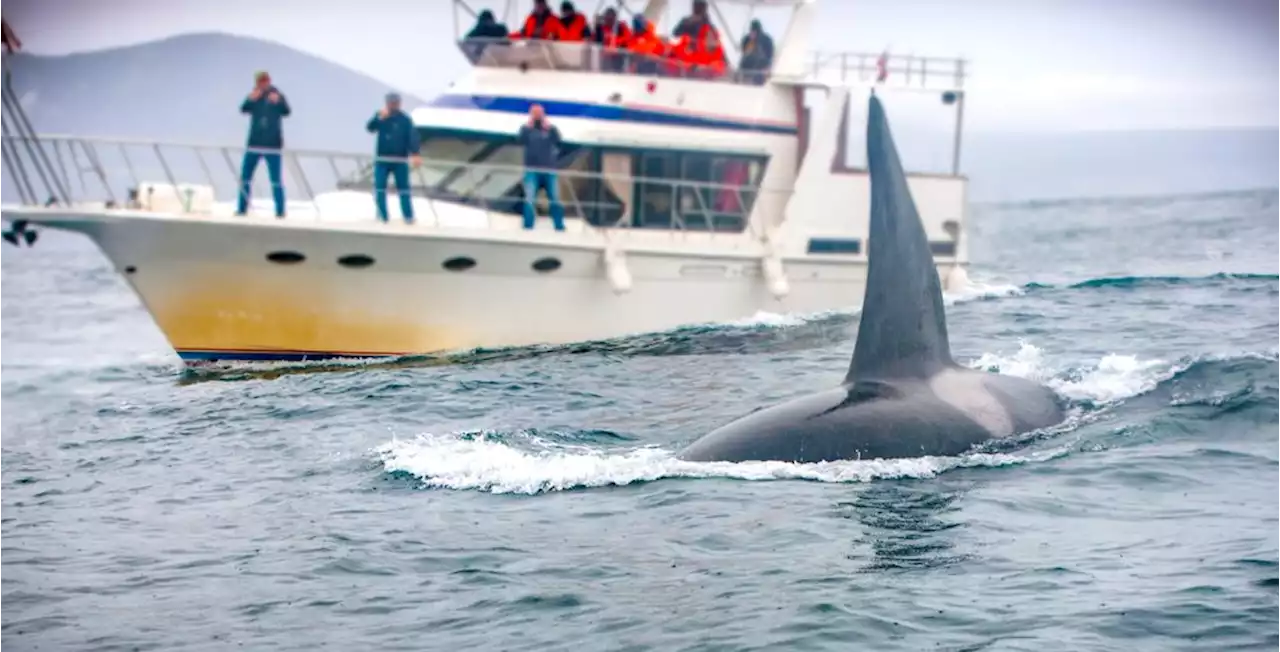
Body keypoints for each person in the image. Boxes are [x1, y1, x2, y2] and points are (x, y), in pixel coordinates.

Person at [236, 71, 290, 217]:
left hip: (273, 146)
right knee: (245, 178)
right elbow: (243, 109)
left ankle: (280, 210)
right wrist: (251, 99)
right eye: (260, 81)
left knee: (276, 180)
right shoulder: (255, 95)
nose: (263, 84)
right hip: (254, 144)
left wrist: (278, 102)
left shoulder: (277, 95)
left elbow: (287, 111)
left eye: (265, 81)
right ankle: (241, 208)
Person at [365, 93, 422, 224]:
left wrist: (415, 153)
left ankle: (408, 217)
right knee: (380, 188)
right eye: (391, 102)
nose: (393, 104)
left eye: (395, 102)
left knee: (403, 190)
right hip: (382, 160)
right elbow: (370, 128)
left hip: (399, 160)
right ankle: (383, 216)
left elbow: (412, 137)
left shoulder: (405, 120)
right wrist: (378, 118)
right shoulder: (381, 117)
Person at [516, 104, 565, 231]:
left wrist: (548, 127)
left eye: (539, 114)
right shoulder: (526, 129)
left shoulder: (550, 129)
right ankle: (528, 225)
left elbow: (558, 140)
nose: (538, 116)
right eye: (535, 114)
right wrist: (529, 126)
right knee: (530, 198)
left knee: (555, 198)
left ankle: (559, 225)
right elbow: (520, 140)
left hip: (549, 169)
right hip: (532, 169)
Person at [739, 19, 774, 84]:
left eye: (754, 31)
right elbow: (743, 53)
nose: (752, 33)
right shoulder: (747, 39)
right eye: (751, 31)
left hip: (760, 69)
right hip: (747, 69)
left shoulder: (765, 40)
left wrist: (767, 67)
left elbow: (769, 56)